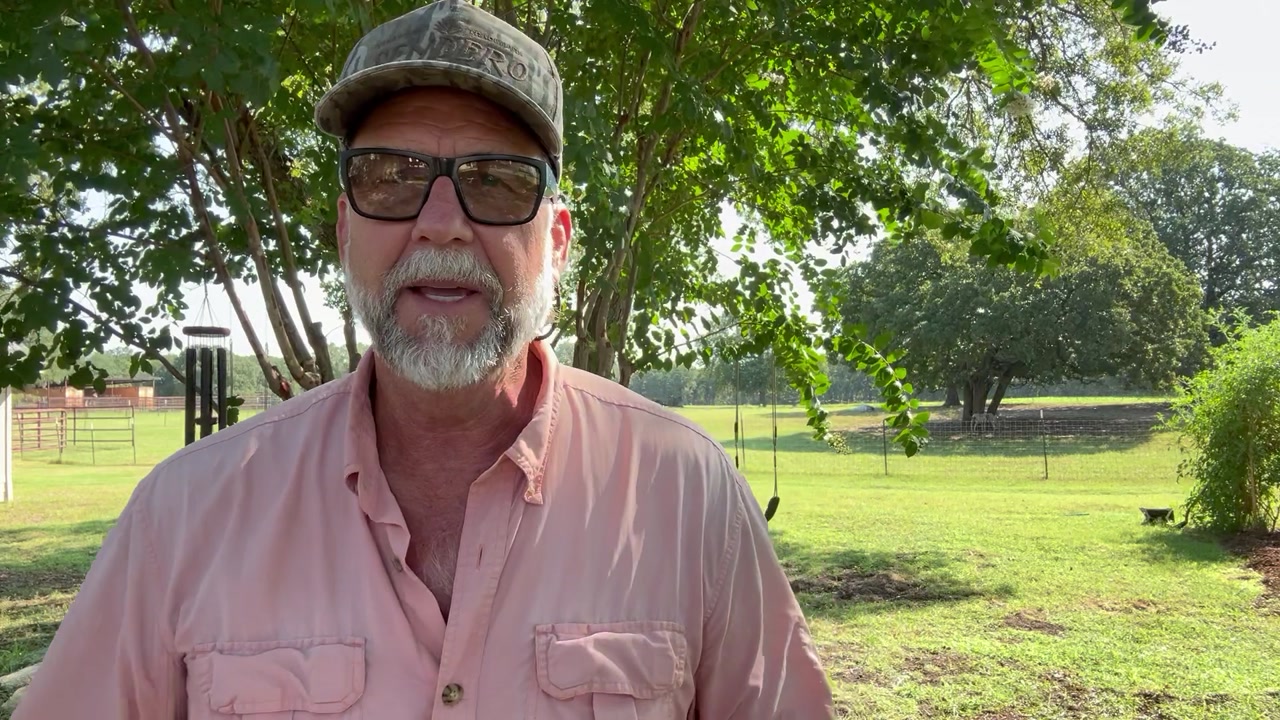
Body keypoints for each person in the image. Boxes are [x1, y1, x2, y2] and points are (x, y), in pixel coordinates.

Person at [14, 2, 835, 718]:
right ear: (345, 230)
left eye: (497, 182)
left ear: (555, 242)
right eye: (391, 178)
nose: (441, 223)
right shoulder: (184, 517)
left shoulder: (690, 496)